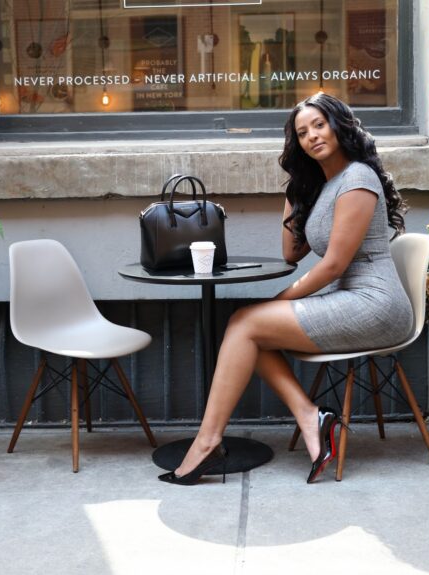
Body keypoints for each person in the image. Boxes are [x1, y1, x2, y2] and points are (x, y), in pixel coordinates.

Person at [158, 92, 414, 485]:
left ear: (339, 125)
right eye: (302, 132)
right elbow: (291, 252)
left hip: (376, 304)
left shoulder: (358, 178)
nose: (312, 136)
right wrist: (295, 189)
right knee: (247, 328)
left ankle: (208, 443)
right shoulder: (325, 186)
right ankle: (311, 419)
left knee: (246, 324)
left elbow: (332, 266)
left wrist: (279, 301)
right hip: (352, 299)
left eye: (319, 124)